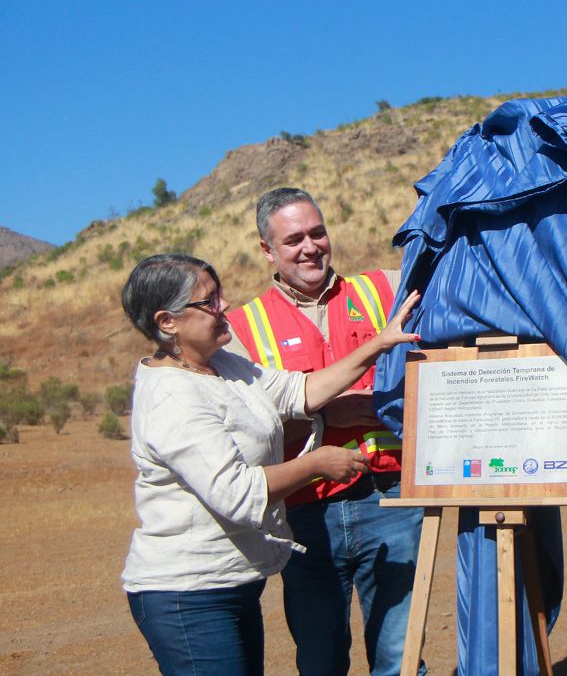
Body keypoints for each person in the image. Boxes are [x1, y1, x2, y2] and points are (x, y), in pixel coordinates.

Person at [120, 253, 419, 676]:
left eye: (218, 294)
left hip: (230, 582)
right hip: (187, 593)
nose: (222, 307)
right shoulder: (173, 394)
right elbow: (237, 493)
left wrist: (380, 343)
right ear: (167, 322)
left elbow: (303, 390)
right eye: (207, 303)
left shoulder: (222, 366)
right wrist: (317, 463)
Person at [225, 188, 424, 676]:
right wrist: (324, 418)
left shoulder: (384, 289)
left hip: (391, 499)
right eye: (294, 239)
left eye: (318, 233)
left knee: (399, 654)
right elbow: (236, 418)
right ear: (267, 250)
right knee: (320, 658)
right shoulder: (239, 327)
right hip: (303, 512)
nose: (311, 247)